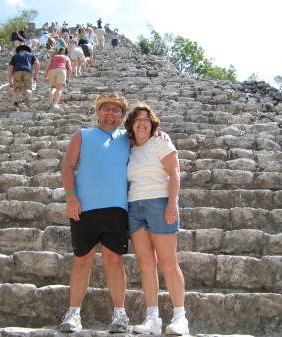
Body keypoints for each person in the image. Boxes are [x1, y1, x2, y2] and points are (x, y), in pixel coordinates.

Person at [59, 92, 131, 333]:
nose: (110, 112)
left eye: (116, 109)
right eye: (106, 108)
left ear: (122, 115)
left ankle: (120, 314)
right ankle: (73, 313)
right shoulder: (83, 134)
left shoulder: (129, 138)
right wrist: (71, 197)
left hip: (116, 208)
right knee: (81, 261)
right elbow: (68, 165)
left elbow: (151, 136)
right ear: (98, 111)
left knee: (114, 261)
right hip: (85, 207)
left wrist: (159, 133)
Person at [124, 104, 189, 335]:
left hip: (160, 204)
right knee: (146, 264)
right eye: (137, 119)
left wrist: (172, 202)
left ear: (152, 124)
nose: (142, 123)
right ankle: (152, 318)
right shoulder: (128, 147)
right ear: (131, 124)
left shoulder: (161, 141)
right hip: (134, 207)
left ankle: (180, 318)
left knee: (168, 262)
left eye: (146, 119)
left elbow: (174, 172)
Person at [8, 44, 40, 111]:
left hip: (17, 71)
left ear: (19, 51)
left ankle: (16, 104)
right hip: (27, 71)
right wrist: (36, 74)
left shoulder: (15, 56)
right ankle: (26, 93)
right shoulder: (31, 55)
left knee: (16, 89)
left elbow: (11, 68)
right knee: (28, 87)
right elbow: (37, 63)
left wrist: (10, 81)